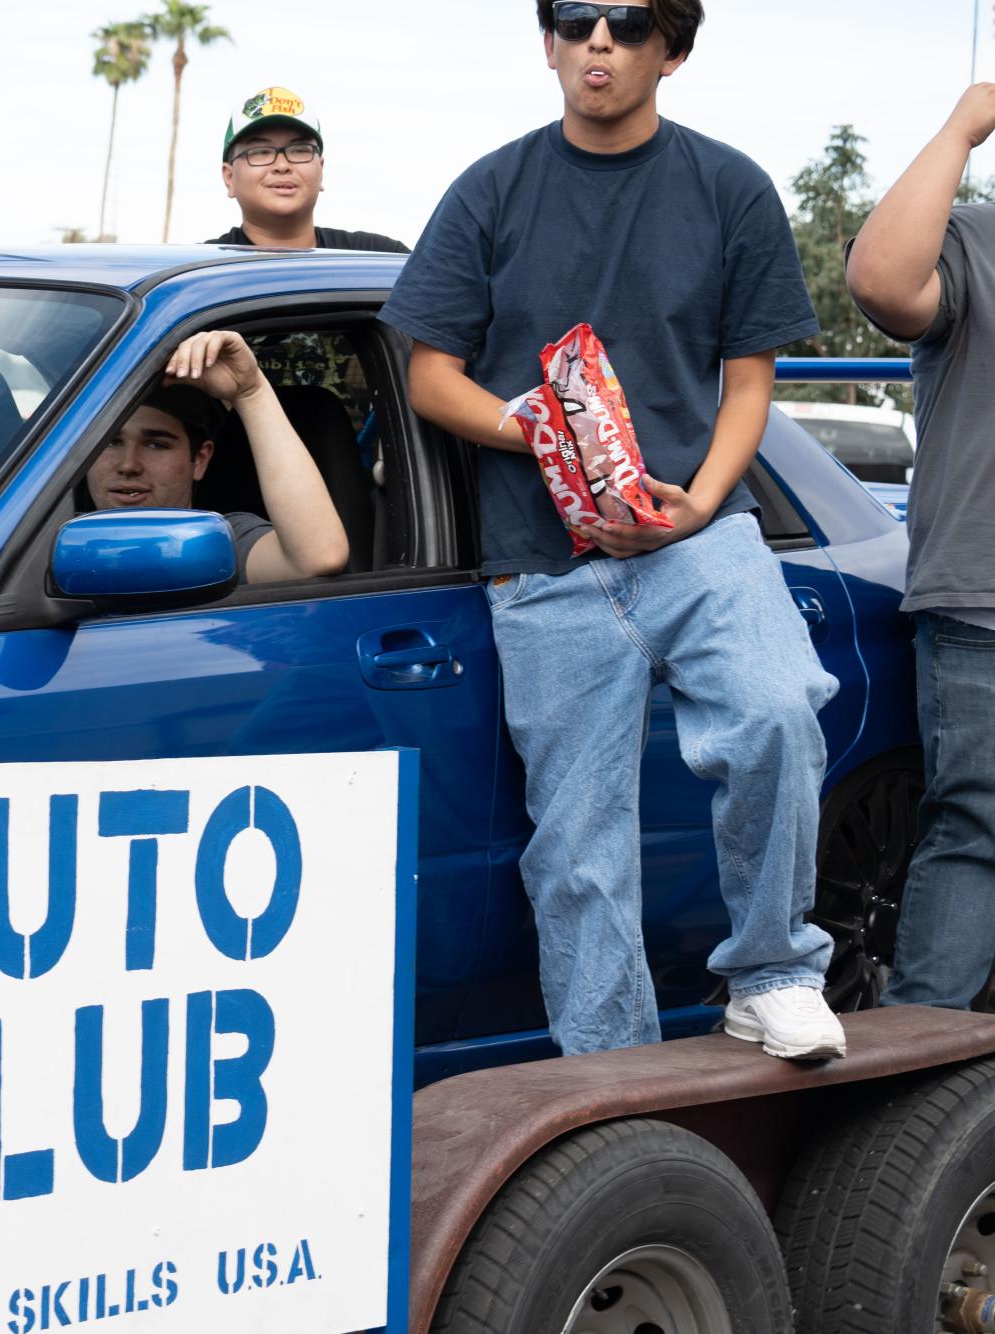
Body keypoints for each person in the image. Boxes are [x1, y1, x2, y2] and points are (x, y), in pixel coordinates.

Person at [380, 0, 845, 1059]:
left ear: (670, 49)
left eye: (628, 22)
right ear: (546, 40)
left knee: (778, 711)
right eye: (576, 16)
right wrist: (540, 434)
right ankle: (614, 1069)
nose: (599, 38)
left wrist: (698, 493)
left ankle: (772, 971)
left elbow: (748, 383)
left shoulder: (729, 188)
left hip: (700, 538)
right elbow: (428, 377)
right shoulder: (491, 188)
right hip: (542, 567)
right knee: (578, 849)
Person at [844, 84, 995, 1011]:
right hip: (984, 604)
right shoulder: (975, 238)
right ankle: (907, 1099)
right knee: (976, 832)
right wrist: (961, 126)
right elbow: (880, 285)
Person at [85, 330, 349, 583]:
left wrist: (252, 393)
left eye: (155, 445)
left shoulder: (220, 538)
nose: (129, 465)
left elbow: (316, 558)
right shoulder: (47, 527)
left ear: (199, 460)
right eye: (111, 443)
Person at [205, 87, 408, 254]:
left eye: (299, 150)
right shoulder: (198, 269)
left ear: (321, 170)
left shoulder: (379, 258)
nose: (282, 166)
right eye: (261, 152)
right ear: (229, 177)